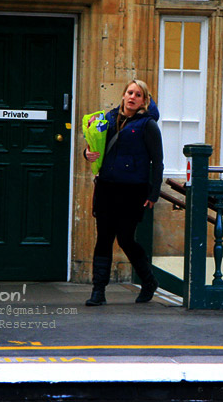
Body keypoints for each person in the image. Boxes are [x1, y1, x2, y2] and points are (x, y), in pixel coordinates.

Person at [83, 79, 164, 306]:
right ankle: (98, 291)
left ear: (144, 101)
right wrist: (86, 153)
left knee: (126, 239)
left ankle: (149, 281)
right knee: (104, 237)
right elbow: (95, 145)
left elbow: (157, 162)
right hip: (107, 187)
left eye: (138, 95)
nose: (132, 97)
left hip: (133, 191)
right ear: (123, 95)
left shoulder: (148, 125)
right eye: (129, 92)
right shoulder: (108, 119)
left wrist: (153, 193)